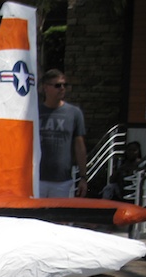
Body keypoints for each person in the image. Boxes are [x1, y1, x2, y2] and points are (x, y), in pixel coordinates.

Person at [39, 69, 87, 198]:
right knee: (35, 217)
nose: (62, 89)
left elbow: (79, 146)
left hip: (62, 181)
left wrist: (83, 177)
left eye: (64, 85)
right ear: (45, 88)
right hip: (37, 179)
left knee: (59, 218)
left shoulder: (74, 113)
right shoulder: (34, 111)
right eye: (57, 85)